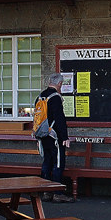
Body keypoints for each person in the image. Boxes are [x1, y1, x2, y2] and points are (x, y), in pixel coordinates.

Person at [36, 73, 72, 202]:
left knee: (47, 162)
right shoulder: (55, 97)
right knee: (58, 163)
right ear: (59, 84)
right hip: (55, 136)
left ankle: (46, 192)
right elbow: (60, 119)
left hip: (43, 135)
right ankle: (57, 193)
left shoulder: (40, 96)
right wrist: (65, 137)